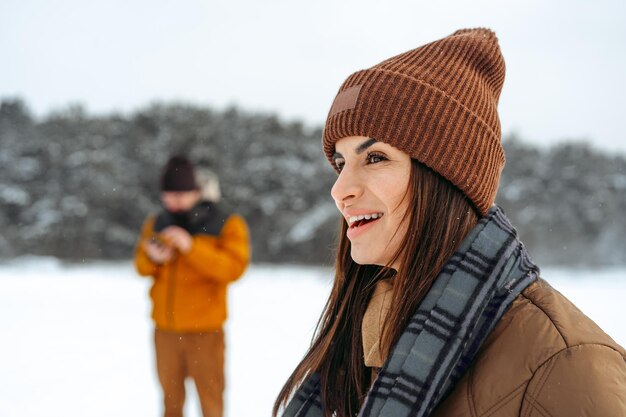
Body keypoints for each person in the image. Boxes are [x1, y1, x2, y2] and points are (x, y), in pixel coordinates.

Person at [274, 28, 626, 417]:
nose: (339, 190)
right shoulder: (363, 339)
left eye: (374, 158)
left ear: (446, 178)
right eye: (341, 164)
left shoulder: (568, 365)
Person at [134, 155, 250, 417]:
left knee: (211, 403)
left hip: (205, 333)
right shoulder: (156, 222)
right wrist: (152, 258)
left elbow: (234, 269)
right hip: (164, 331)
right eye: (167, 195)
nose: (171, 202)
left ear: (196, 191)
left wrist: (190, 247)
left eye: (179, 195)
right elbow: (140, 267)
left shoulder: (228, 223)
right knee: (170, 404)